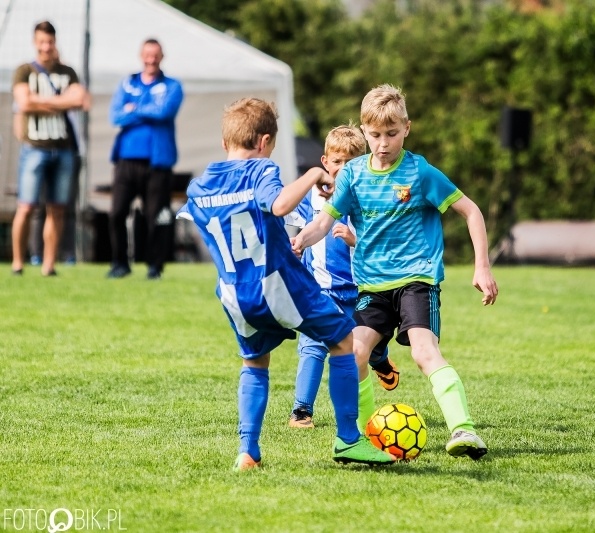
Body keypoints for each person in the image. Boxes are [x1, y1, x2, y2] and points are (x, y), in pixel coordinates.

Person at [176, 98, 396, 470]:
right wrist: (313, 175)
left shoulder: (201, 185)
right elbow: (277, 206)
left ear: (225, 141)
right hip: (277, 283)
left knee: (255, 361)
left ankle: (248, 451)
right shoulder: (262, 169)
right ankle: (348, 440)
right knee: (343, 341)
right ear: (264, 142)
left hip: (234, 292)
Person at [293, 84, 499, 459]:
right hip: (371, 285)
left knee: (423, 352)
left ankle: (464, 430)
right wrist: (303, 239)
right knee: (354, 352)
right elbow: (324, 222)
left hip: (416, 281)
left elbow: (471, 211)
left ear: (407, 127)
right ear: (364, 131)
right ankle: (370, 436)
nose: (383, 143)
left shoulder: (420, 173)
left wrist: (481, 266)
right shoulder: (353, 174)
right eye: (374, 135)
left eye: (391, 134)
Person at [286, 124, 400, 430]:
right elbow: (284, 214)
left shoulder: (367, 197)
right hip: (320, 290)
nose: (343, 169)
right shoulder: (311, 197)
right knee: (313, 345)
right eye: (337, 162)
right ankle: (301, 411)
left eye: (350, 163)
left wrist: (355, 239)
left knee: (363, 346)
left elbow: (383, 243)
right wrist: (294, 245)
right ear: (325, 162)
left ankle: (380, 359)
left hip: (362, 291)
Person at [10, 21, 88, 276]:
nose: (46, 47)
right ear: (35, 42)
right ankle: (18, 262)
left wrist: (38, 101)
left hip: (63, 149)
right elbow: (24, 103)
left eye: (50, 42)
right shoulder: (24, 71)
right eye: (42, 42)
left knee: (57, 208)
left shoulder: (68, 72)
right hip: (34, 147)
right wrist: (60, 102)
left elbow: (81, 99)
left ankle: (48, 265)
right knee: (26, 206)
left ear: (55, 42)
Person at [107, 38, 184, 280]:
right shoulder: (127, 83)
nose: (151, 60)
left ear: (162, 57)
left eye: (155, 55)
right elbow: (116, 116)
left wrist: (135, 108)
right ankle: (120, 263)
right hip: (126, 161)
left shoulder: (172, 86)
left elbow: (164, 112)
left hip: (157, 162)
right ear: (141, 56)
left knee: (156, 216)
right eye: (147, 55)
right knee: (117, 213)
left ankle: (154, 265)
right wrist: (145, 108)